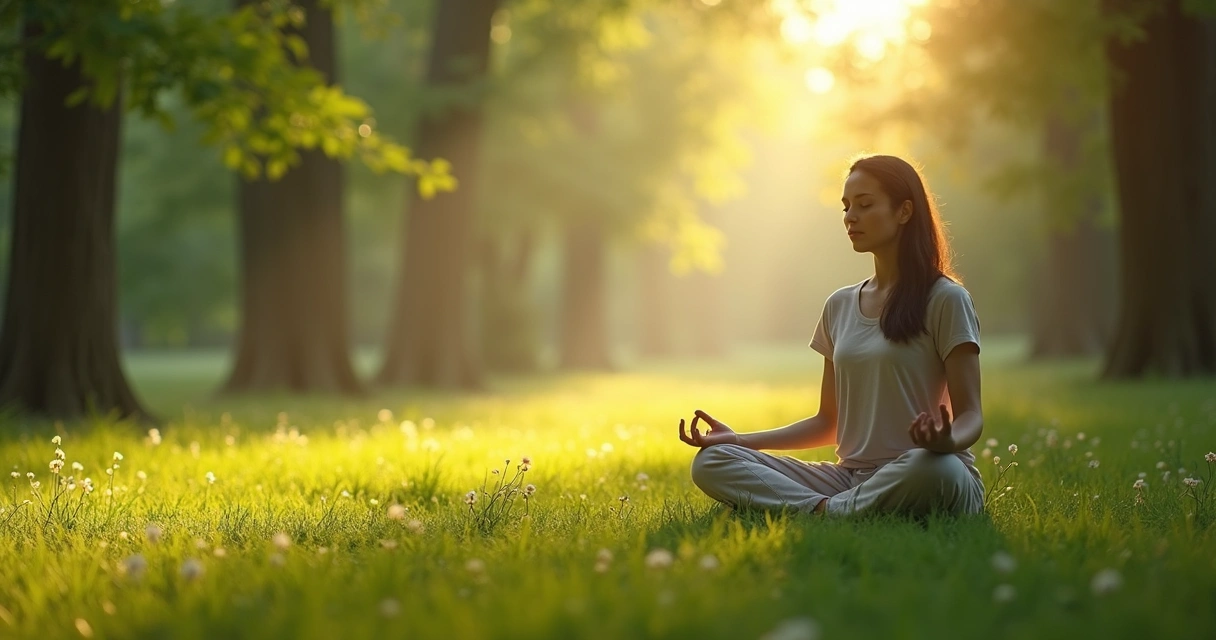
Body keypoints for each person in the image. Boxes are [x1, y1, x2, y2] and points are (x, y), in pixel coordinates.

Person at [678, 154, 985, 518]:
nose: (850, 217)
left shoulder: (946, 299)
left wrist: (946, 441)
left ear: (904, 212)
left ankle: (822, 512)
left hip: (923, 471)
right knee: (712, 460)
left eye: (865, 205)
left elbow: (971, 416)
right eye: (846, 207)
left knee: (938, 468)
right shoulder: (839, 305)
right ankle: (830, 510)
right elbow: (829, 422)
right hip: (849, 479)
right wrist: (741, 440)